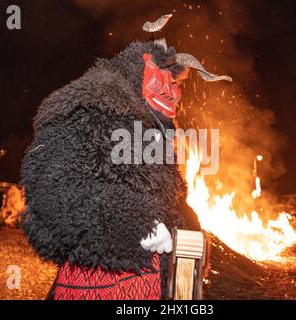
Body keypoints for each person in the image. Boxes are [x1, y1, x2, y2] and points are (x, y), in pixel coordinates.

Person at [21, 15, 231, 300]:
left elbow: (170, 203)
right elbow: (52, 191)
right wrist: (132, 226)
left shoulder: (150, 135)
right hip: (99, 284)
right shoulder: (87, 114)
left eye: (175, 81)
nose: (172, 91)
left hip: (153, 286)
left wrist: (190, 234)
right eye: (161, 77)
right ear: (134, 73)